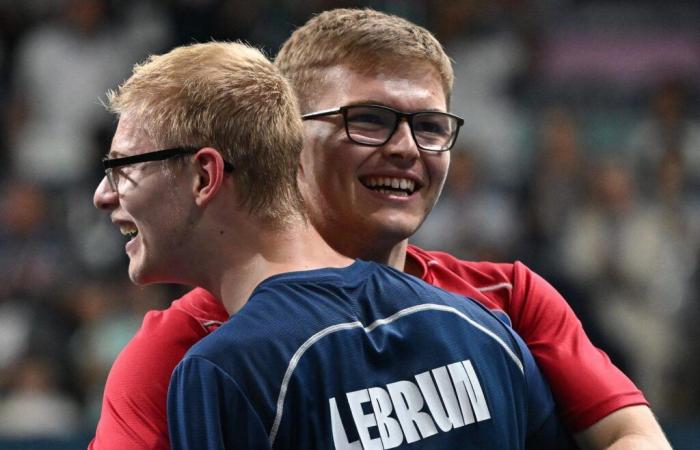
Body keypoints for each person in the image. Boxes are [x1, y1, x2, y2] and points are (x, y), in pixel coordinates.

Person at [90, 8, 671, 450]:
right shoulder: (177, 353)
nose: (406, 149)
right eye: (368, 120)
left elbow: (633, 435)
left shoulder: (505, 300)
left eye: (430, 126)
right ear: (285, 136)